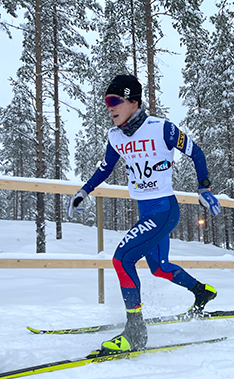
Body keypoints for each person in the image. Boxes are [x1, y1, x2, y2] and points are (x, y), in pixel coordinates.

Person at [68, 74, 221, 354]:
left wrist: (204, 188)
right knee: (160, 267)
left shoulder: (161, 129)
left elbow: (196, 152)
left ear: (133, 101)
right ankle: (202, 291)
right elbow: (105, 168)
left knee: (121, 259)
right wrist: (84, 190)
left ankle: (135, 330)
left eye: (115, 100)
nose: (109, 107)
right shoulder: (115, 137)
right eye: (106, 102)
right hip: (147, 212)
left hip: (163, 209)